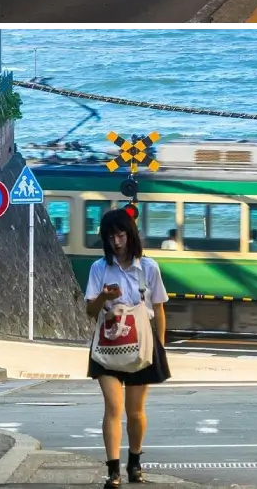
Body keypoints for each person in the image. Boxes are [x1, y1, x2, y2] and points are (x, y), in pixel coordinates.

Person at [86, 209, 171, 488]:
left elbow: (158, 309)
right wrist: (104, 297)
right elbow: (90, 310)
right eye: (111, 236)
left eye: (121, 235)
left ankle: (134, 461)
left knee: (135, 412)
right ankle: (113, 471)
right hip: (108, 346)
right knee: (113, 406)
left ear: (130, 234)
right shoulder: (99, 268)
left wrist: (160, 345)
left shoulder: (149, 268)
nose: (116, 241)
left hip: (141, 347)